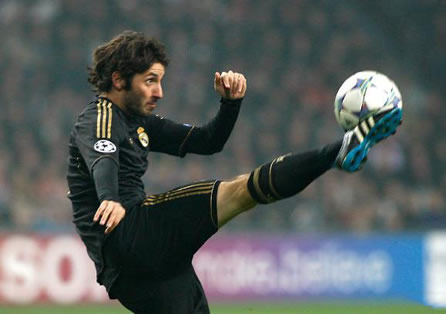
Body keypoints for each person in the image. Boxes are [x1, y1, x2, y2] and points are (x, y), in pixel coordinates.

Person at [66, 30, 402, 314]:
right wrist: (110, 197)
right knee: (240, 191)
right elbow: (103, 156)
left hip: (130, 274)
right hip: (131, 232)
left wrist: (230, 104)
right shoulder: (99, 116)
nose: (159, 92)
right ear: (119, 80)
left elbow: (209, 141)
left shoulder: (140, 123)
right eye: (150, 81)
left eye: (160, 81)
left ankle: (337, 153)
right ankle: (337, 152)